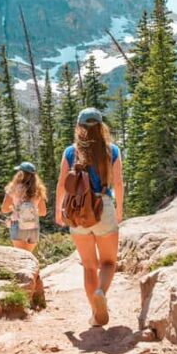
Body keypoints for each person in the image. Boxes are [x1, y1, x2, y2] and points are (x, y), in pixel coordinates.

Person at [56, 107, 124, 327]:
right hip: (103, 205)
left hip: (77, 211)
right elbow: (119, 183)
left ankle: (96, 314)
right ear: (101, 126)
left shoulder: (70, 152)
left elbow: (61, 184)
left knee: (88, 265)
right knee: (108, 262)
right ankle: (101, 293)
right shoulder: (111, 150)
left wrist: (59, 211)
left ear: (79, 127)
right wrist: (120, 210)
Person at [1, 161, 48, 252]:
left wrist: (14, 208)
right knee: (29, 255)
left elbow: (4, 209)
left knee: (20, 256)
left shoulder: (13, 188)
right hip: (33, 224)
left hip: (17, 224)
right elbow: (43, 212)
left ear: (20, 173)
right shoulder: (38, 190)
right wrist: (31, 211)